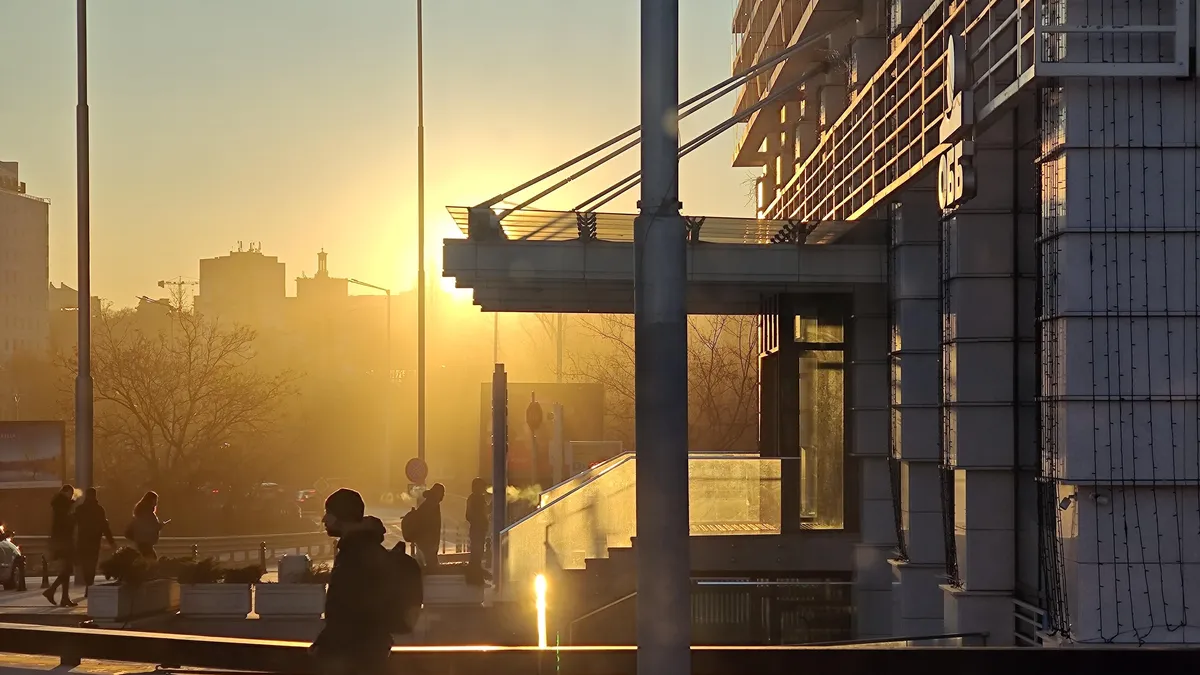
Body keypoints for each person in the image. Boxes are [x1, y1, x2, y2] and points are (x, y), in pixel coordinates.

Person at [310, 488, 393, 675]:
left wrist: (326, 644)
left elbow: (347, 609)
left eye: (328, 514)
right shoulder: (363, 548)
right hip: (368, 650)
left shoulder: (355, 554)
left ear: (342, 516)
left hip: (355, 654)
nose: (324, 519)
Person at [74, 487, 116, 593]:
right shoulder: (99, 509)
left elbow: (73, 524)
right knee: (92, 563)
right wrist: (111, 541)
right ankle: (89, 583)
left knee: (85, 563)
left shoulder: (80, 509)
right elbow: (104, 527)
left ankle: (88, 582)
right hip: (94, 540)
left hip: (82, 540)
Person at [44, 485, 78, 607]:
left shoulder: (60, 503)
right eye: (71, 493)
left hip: (60, 539)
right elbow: (66, 521)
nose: (72, 495)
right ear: (66, 492)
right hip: (64, 540)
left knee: (67, 569)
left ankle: (63, 597)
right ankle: (52, 591)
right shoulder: (63, 504)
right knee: (67, 569)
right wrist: (74, 516)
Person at [407, 483, 444, 569]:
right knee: (431, 566)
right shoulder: (431, 505)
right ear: (438, 493)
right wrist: (432, 544)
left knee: (429, 564)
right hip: (428, 543)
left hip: (427, 542)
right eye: (442, 493)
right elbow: (429, 525)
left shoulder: (430, 503)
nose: (443, 495)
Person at [127, 491, 169, 560]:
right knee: (152, 561)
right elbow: (152, 527)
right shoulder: (148, 513)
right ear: (151, 500)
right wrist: (162, 525)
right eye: (155, 500)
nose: (156, 503)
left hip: (140, 542)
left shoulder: (140, 511)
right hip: (146, 543)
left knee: (148, 560)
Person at [465, 478, 490, 584]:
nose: (484, 489)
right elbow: (472, 515)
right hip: (477, 529)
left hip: (478, 529)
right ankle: (474, 578)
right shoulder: (476, 499)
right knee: (476, 554)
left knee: (477, 554)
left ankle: (476, 577)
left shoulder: (476, 498)